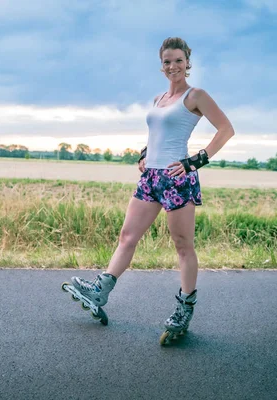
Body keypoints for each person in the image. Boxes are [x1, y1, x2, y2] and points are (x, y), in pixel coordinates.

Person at [68, 37, 235, 336]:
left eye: (179, 61)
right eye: (167, 61)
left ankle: (184, 310)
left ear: (188, 63)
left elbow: (226, 129)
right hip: (151, 178)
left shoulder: (196, 95)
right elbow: (159, 133)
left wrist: (195, 161)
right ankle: (99, 291)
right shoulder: (159, 99)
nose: (173, 66)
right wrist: (146, 154)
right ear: (162, 65)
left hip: (176, 178)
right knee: (127, 236)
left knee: (183, 246)